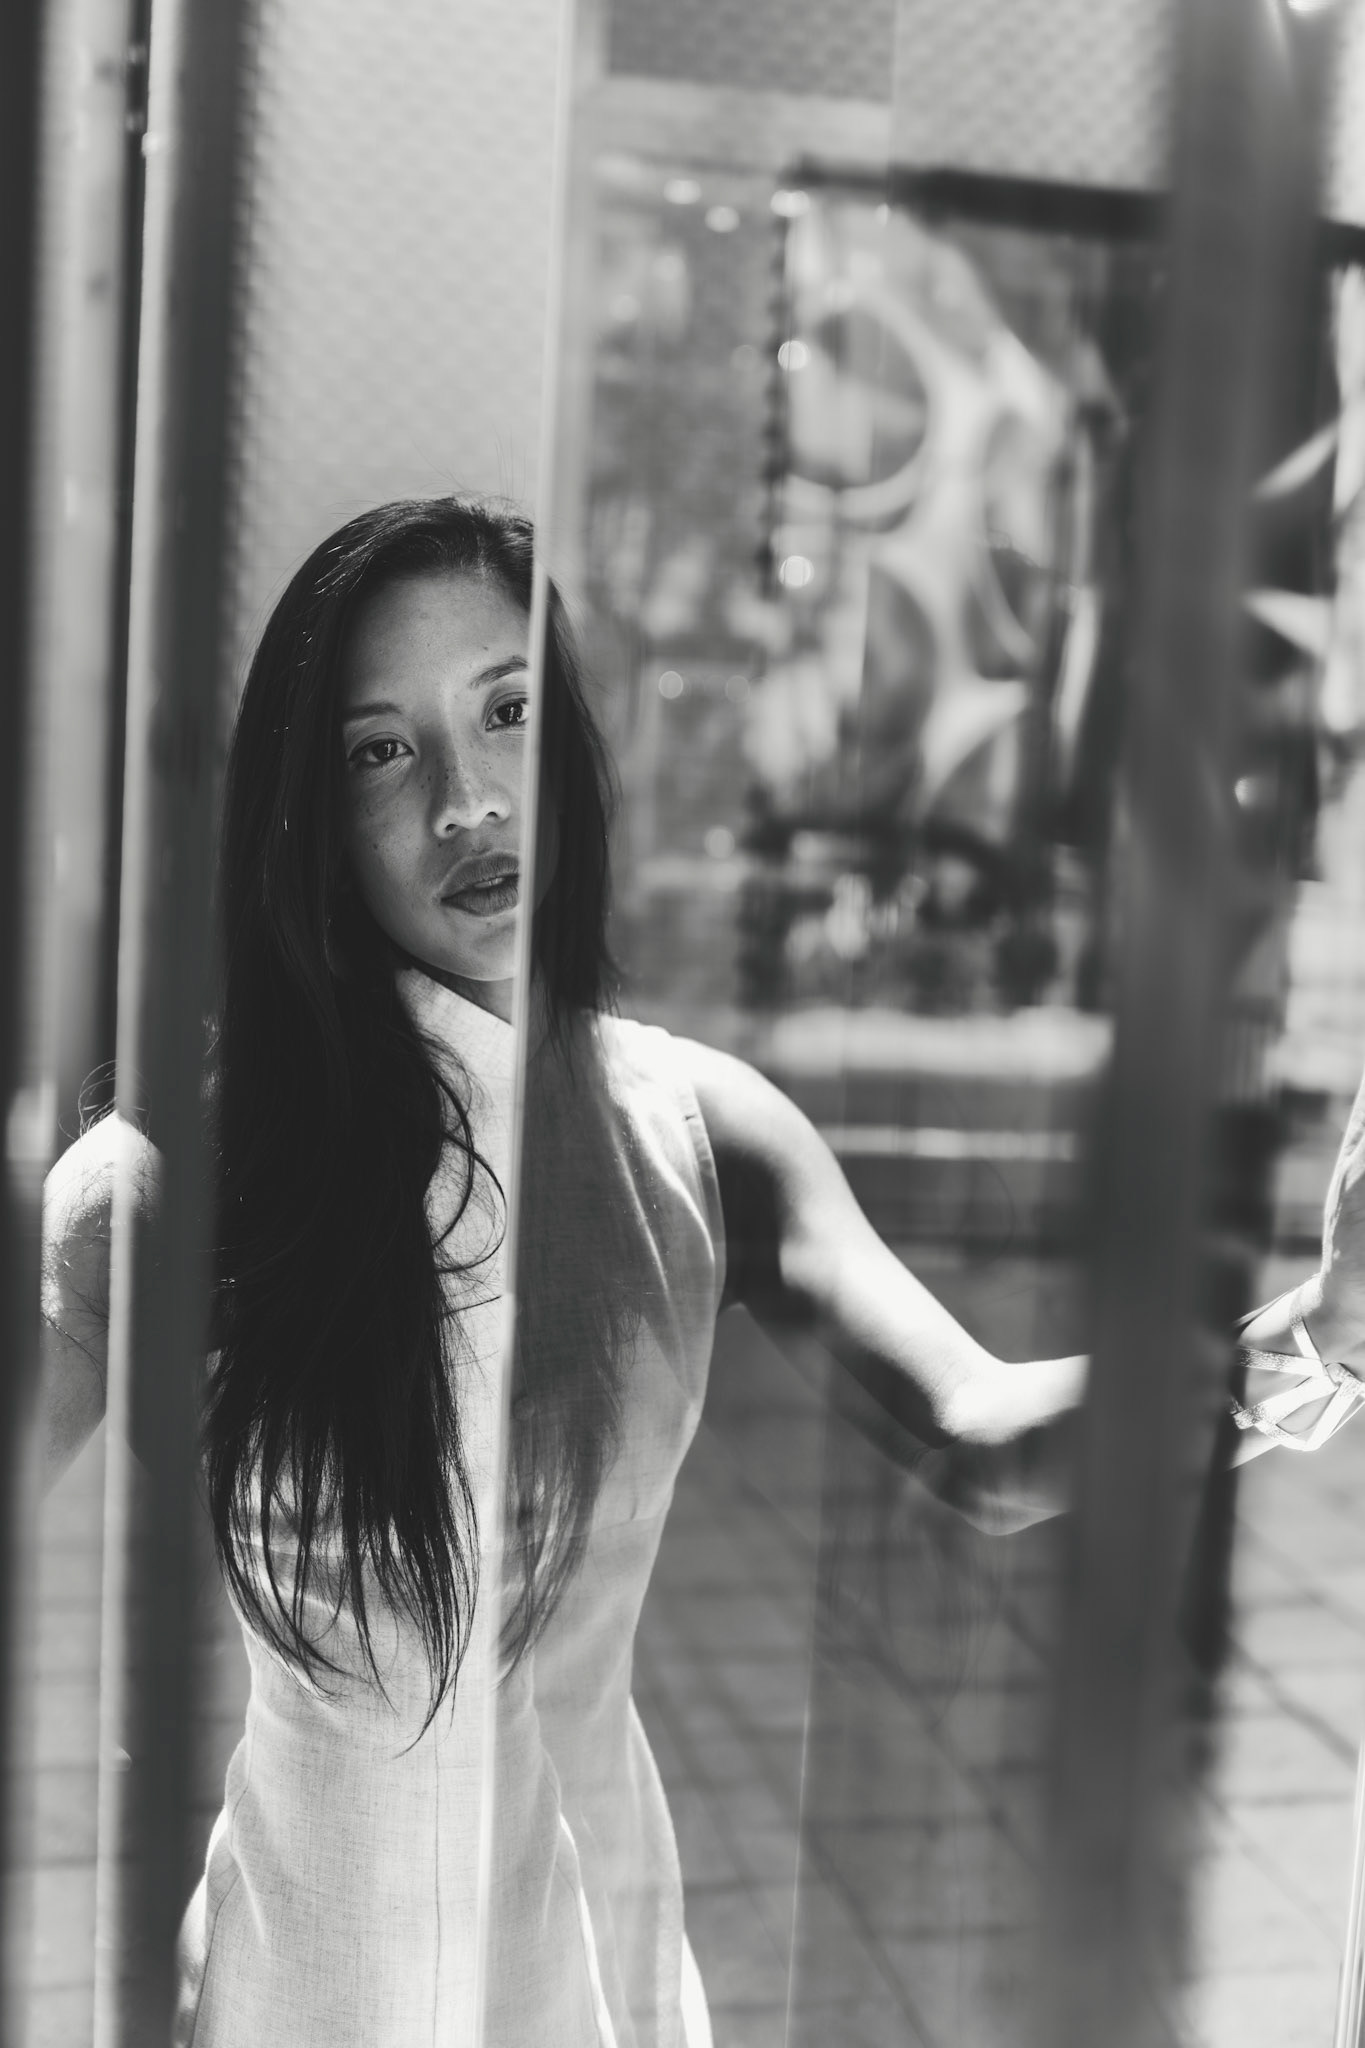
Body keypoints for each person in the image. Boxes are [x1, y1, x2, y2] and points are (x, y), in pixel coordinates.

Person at [36, 494, 1365, 2047]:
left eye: (509, 713)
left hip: (590, 1972)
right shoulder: (168, 1184)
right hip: (300, 1982)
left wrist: (1316, 1333)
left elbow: (981, 1439)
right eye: (382, 750)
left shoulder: (690, 1129)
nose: (468, 801)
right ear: (310, 812)